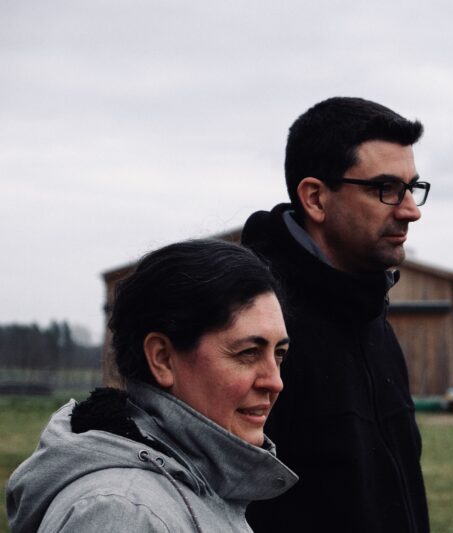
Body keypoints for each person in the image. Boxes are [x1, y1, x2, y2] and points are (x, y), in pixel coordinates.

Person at [6, 239, 297, 533]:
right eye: (248, 353)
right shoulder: (123, 513)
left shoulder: (195, 488)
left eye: (279, 354)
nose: (275, 381)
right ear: (162, 359)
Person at [241, 97, 430, 533]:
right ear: (315, 198)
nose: (411, 210)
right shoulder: (253, 328)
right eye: (386, 188)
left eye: (412, 187)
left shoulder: (373, 315)